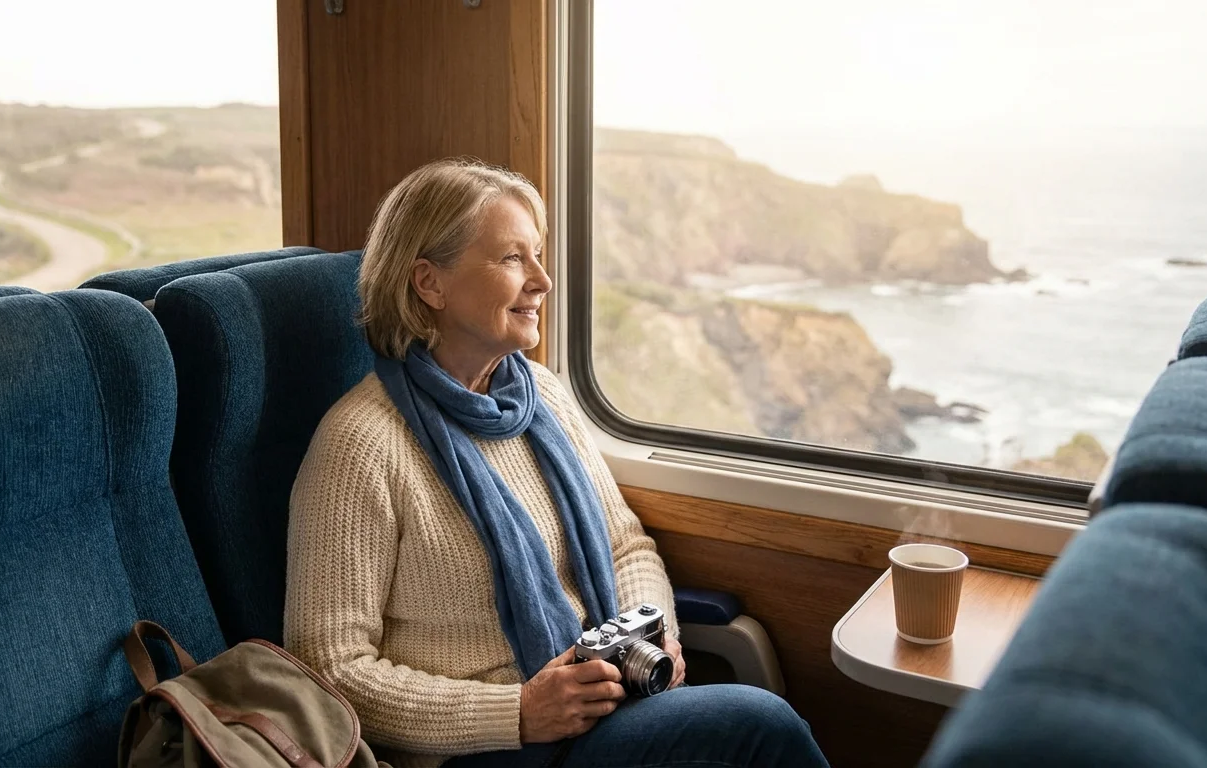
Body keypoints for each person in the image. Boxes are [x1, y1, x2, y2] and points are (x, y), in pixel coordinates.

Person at [284, 158, 830, 768]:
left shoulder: (542, 395)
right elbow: (326, 667)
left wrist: (653, 634)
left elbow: (626, 546)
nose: (542, 280)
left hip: (595, 711)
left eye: (537, 255)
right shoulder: (360, 446)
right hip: (482, 749)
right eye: (513, 258)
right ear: (428, 283)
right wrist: (516, 711)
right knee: (759, 727)